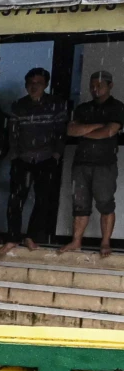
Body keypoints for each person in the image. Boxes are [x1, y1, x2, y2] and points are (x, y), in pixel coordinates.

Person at [0, 67, 68, 256]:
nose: (33, 86)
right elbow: (12, 134)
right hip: (22, 158)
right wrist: (14, 155)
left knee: (42, 199)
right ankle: (13, 237)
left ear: (46, 84)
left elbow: (61, 133)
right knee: (16, 199)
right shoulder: (19, 106)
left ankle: (31, 236)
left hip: (46, 158)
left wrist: (56, 155)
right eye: (30, 83)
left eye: (38, 83)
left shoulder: (56, 104)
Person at [62, 69, 124, 257]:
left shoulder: (117, 107)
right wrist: (97, 126)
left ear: (110, 86)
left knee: (105, 203)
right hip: (81, 162)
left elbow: (109, 132)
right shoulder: (83, 108)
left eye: (99, 85)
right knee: (79, 204)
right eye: (92, 86)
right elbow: (71, 131)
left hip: (104, 163)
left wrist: (86, 132)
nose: (95, 89)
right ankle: (76, 241)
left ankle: (105, 243)